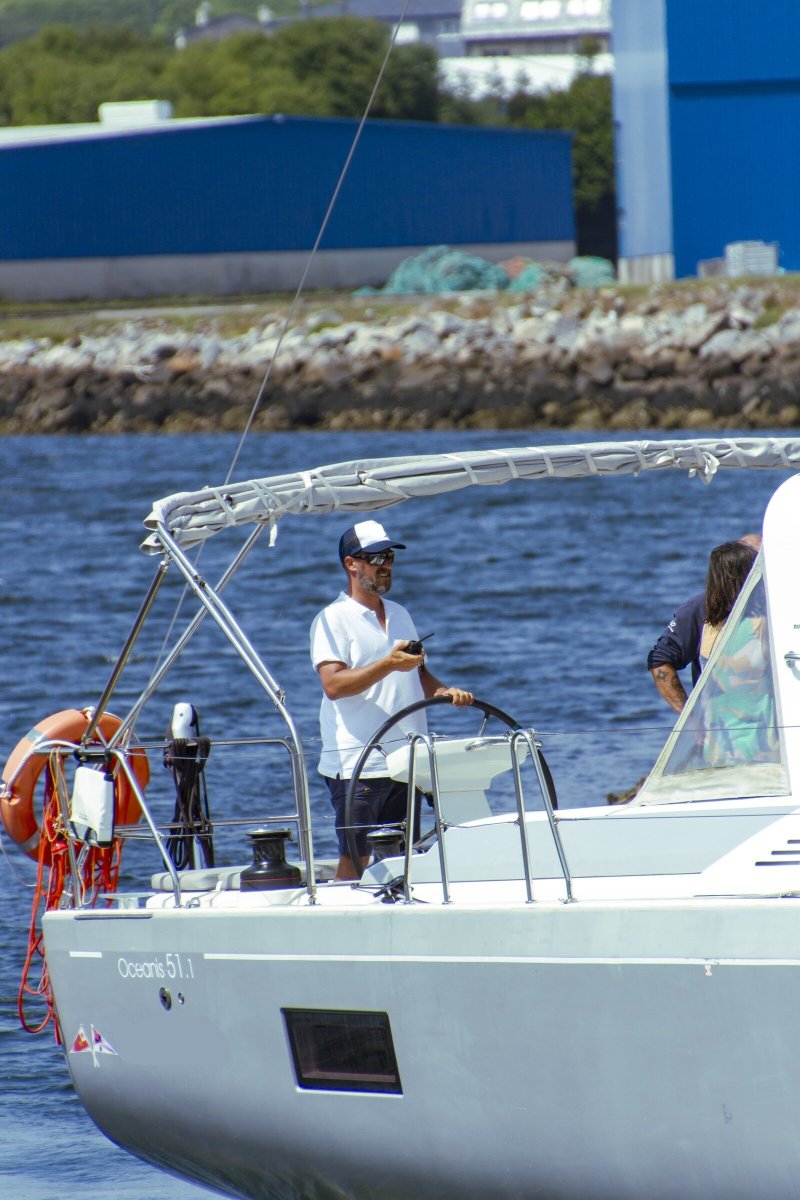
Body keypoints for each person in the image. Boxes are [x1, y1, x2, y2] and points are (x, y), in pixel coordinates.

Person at [310, 519, 474, 880]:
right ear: (351, 564)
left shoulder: (400, 614)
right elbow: (333, 685)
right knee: (355, 860)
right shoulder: (331, 619)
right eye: (375, 558)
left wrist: (444, 692)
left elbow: (418, 674)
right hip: (358, 765)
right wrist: (388, 663)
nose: (385, 565)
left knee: (403, 856)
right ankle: (343, 911)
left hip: (406, 760)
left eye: (389, 557)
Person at [648, 533, 761, 714]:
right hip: (718, 724)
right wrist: (690, 717)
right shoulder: (699, 609)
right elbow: (660, 660)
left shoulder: (777, 602)